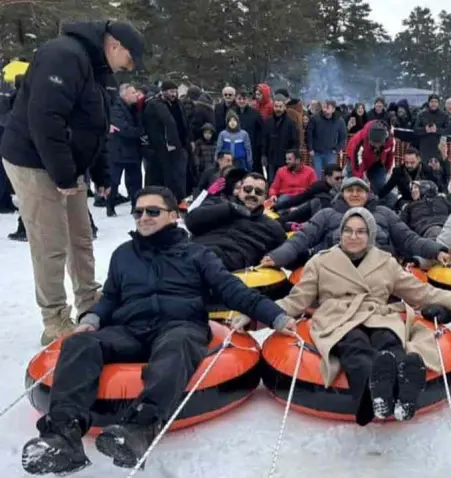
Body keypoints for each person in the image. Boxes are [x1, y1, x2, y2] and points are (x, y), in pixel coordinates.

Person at [20, 186, 291, 475]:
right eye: (138, 212)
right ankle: (62, 435)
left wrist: (275, 316)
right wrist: (93, 319)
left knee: (176, 347)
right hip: (131, 329)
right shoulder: (124, 255)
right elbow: (111, 296)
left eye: (153, 211)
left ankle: (139, 429)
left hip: (180, 325)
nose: (144, 217)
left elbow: (231, 290)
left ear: (173, 216)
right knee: (80, 345)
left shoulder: (197, 254)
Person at [270, 207, 451, 425]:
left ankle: (405, 390)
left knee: (388, 340)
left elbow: (422, 293)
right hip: (338, 318)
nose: (353, 236)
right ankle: (370, 397)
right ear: (341, 232)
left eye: (360, 232)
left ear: (370, 235)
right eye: (348, 230)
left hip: (378, 314)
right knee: (354, 346)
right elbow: (297, 300)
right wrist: (260, 315)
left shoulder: (386, 262)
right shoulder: (320, 262)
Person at [0, 20, 144, 345]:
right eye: (130, 60)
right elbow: (44, 119)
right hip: (33, 159)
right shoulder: (63, 55)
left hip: (66, 161)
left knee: (80, 237)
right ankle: (55, 320)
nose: (129, 68)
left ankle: (89, 303)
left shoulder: (98, 68)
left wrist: (103, 173)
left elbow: (97, 125)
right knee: (51, 243)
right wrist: (64, 176)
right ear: (115, 45)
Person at [263, 177, 451, 269]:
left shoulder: (384, 214)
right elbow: (302, 238)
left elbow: (410, 239)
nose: (355, 194)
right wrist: (278, 256)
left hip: (379, 272)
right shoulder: (327, 214)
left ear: (368, 194)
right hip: (336, 273)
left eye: (359, 190)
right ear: (342, 194)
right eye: (350, 190)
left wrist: (437, 250)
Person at [185, 173, 285, 271]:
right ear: (239, 191)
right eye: (248, 189)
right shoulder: (218, 203)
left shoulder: (271, 227)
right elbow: (190, 221)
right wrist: (229, 208)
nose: (252, 194)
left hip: (227, 268)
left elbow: (288, 252)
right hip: (193, 254)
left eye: (258, 192)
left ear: (264, 197)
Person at [106, 83, 144, 216]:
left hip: (133, 151)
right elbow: (123, 129)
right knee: (114, 181)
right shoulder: (116, 109)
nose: (136, 95)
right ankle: (110, 206)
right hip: (118, 151)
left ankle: (136, 206)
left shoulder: (135, 108)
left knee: (136, 181)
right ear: (124, 95)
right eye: (133, 93)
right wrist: (139, 132)